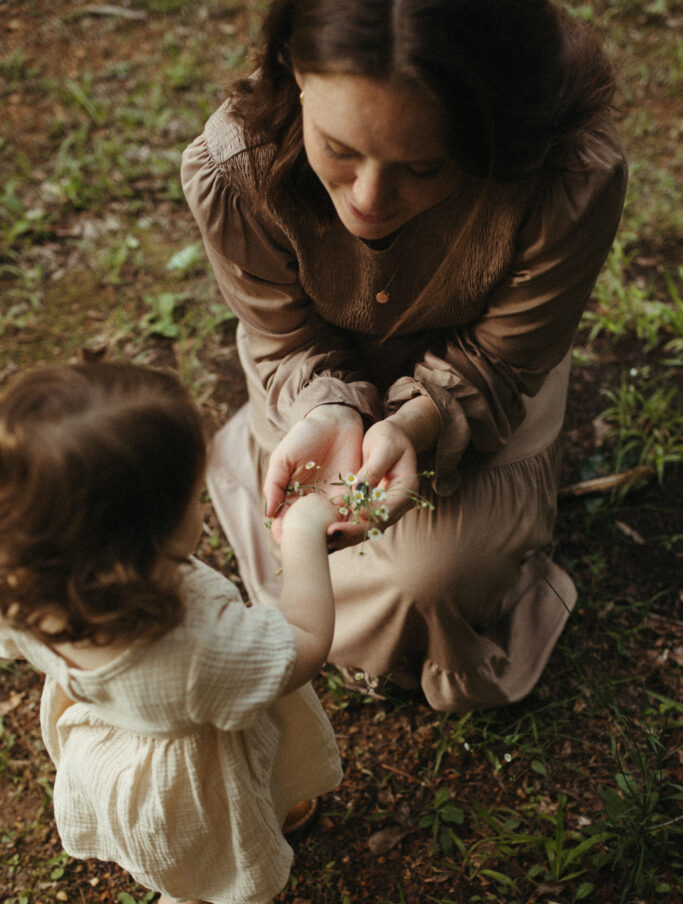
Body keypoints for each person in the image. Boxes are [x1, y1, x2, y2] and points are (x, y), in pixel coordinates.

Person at [181, 0, 628, 712]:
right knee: (348, 554)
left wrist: (416, 424)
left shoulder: (566, 171)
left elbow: (502, 360)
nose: (369, 199)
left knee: (430, 583)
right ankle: (263, 446)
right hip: (311, 382)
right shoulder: (236, 161)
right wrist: (327, 407)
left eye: (423, 166)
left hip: (478, 386)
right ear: (295, 72)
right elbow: (286, 338)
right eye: (338, 149)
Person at [0, 361, 341, 904]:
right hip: (186, 789)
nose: (202, 506)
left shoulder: (25, 578)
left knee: (250, 774)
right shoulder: (191, 645)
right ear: (138, 541)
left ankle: (265, 799)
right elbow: (303, 646)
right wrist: (301, 536)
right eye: (192, 497)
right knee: (197, 884)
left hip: (112, 737)